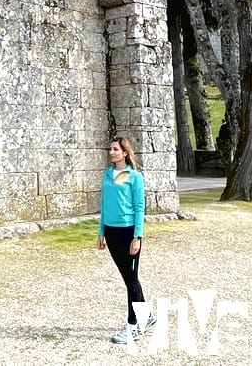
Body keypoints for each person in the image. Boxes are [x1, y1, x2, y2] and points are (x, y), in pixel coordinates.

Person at [97, 135, 156, 345]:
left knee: (131, 279)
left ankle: (134, 326)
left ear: (124, 152)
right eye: (110, 149)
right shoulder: (108, 174)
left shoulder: (133, 176)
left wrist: (137, 237)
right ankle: (146, 315)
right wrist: (101, 231)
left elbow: (140, 208)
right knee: (128, 278)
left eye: (115, 149)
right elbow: (104, 203)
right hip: (111, 233)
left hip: (128, 232)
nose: (112, 152)